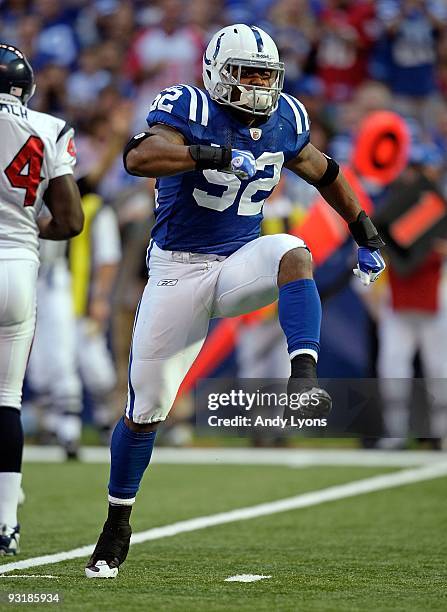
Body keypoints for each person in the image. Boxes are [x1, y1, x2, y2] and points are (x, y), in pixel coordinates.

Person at [85, 24, 385, 578]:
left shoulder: (286, 119)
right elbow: (137, 156)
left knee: (293, 251)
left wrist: (364, 229)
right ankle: (117, 519)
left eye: (264, 76)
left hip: (237, 263)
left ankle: (303, 373)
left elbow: (325, 172)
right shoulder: (188, 105)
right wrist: (210, 153)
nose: (256, 86)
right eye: (245, 74)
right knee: (146, 410)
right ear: (217, 72)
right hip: (177, 271)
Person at [0, 43, 84, 555]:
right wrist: (28, 232)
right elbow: (71, 221)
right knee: (6, 400)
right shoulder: (48, 127)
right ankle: (5, 519)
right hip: (19, 267)